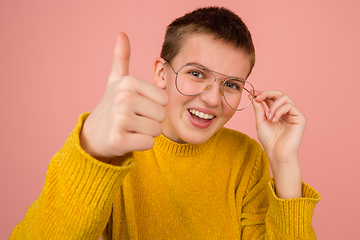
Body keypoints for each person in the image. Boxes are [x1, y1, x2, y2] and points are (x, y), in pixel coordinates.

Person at [10, 6, 321, 240]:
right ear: (161, 73)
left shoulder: (246, 157)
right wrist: (92, 153)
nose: (212, 99)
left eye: (232, 85)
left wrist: (284, 164)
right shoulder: (116, 146)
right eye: (196, 73)